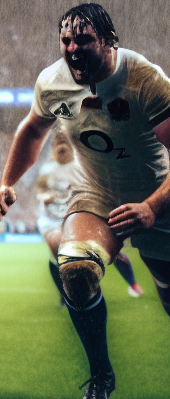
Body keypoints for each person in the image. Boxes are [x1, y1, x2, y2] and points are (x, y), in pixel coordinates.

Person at [0, 3, 170, 399]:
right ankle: (100, 376)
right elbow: (32, 130)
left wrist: (152, 207)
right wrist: (6, 183)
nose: (72, 48)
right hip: (96, 193)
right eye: (66, 40)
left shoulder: (145, 80)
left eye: (83, 40)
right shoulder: (52, 83)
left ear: (109, 42)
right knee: (76, 270)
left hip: (157, 198)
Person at [35, 127, 144, 303]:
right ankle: (69, 293)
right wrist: (49, 197)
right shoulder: (47, 170)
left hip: (83, 214)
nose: (61, 145)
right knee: (60, 256)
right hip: (55, 218)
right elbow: (40, 192)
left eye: (64, 141)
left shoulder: (83, 165)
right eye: (57, 141)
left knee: (114, 252)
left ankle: (132, 284)